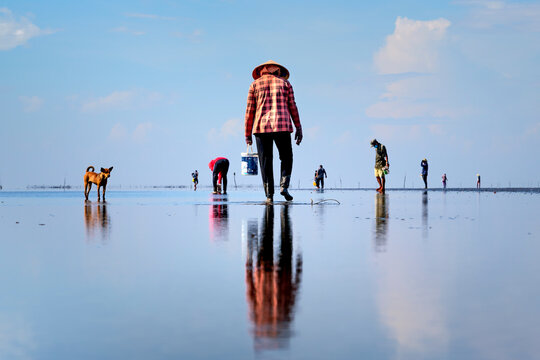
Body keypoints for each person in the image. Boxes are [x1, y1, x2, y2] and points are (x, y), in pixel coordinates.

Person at [244, 60, 302, 203]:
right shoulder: (285, 84)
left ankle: (269, 195)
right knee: (286, 157)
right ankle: (284, 186)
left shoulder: (254, 85)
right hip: (282, 126)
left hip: (260, 128)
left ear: (262, 71)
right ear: (278, 71)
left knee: (265, 161)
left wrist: (247, 134)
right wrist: (299, 127)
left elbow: (249, 111)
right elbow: (292, 106)